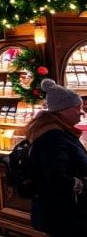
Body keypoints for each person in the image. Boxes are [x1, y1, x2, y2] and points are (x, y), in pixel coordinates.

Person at [27, 78, 87, 236]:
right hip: (65, 215)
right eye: (78, 107)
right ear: (62, 110)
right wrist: (81, 185)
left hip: (61, 214)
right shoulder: (54, 137)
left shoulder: (55, 132)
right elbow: (56, 177)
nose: (82, 112)